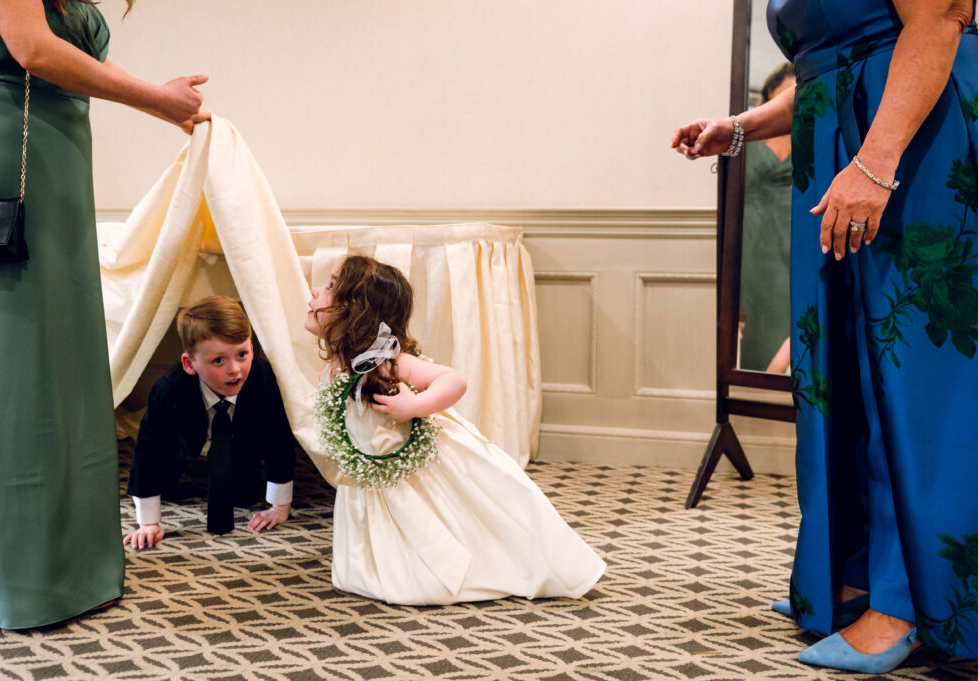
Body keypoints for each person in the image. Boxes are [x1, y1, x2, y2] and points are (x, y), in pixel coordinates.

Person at [672, 0, 978, 673]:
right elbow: (830, 66)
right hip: (845, 139)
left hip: (912, 143)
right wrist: (743, 127)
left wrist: (876, 161)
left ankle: (913, 603)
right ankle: (859, 574)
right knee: (842, 369)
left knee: (909, 374)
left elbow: (939, 17)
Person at [0, 0, 208, 628]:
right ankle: (19, 568)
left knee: (45, 346)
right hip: (2, 133)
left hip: (45, 139)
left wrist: (160, 99)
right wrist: (154, 98)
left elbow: (71, 49)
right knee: (12, 349)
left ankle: (32, 554)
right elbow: (32, 49)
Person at [304, 255, 606, 604]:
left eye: (329, 286)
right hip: (376, 470)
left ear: (355, 310)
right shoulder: (340, 366)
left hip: (420, 469)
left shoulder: (386, 362)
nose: (315, 291)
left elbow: (454, 380)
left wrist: (413, 407)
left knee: (464, 521)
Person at [124, 296, 298, 549]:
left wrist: (280, 506)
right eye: (219, 360)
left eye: (242, 354)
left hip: (244, 439)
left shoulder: (261, 377)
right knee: (167, 484)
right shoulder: (170, 389)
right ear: (189, 364)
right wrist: (148, 522)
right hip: (183, 440)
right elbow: (147, 451)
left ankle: (240, 474)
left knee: (246, 495)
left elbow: (278, 440)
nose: (235, 370)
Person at [739, 62, 795, 372]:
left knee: (786, 314)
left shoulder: (808, 139)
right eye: (789, 93)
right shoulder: (748, 138)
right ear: (770, 92)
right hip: (751, 235)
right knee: (752, 319)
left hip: (791, 235)